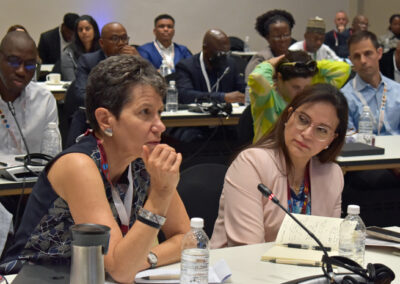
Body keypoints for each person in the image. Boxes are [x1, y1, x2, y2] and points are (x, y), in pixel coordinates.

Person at [0, 55, 190, 282]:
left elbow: (190, 238)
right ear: (105, 120)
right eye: (145, 112)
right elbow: (120, 269)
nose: (160, 126)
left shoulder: (143, 161)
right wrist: (160, 195)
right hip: (30, 278)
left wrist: (146, 258)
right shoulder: (78, 165)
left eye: (159, 112)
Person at [211, 84, 348, 247]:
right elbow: (247, 248)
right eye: (303, 120)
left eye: (321, 130)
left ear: (332, 139)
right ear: (288, 116)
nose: (306, 134)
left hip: (307, 270)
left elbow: (329, 245)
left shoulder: (332, 175)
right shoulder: (251, 164)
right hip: (242, 268)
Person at [248, 50, 350, 142]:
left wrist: (308, 65)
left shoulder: (310, 93)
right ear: (279, 78)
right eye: (295, 87)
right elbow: (257, 76)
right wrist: (270, 64)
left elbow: (344, 69)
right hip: (267, 157)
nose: (302, 93)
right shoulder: (266, 96)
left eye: (306, 87)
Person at [0, 31, 59, 155]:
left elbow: (51, 157)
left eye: (30, 65)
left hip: (33, 174)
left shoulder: (44, 100)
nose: (21, 71)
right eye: (14, 62)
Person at [341, 31, 400, 135]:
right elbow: (349, 139)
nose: (363, 60)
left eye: (368, 53)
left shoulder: (397, 91)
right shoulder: (344, 98)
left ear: (379, 53)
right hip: (366, 149)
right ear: (351, 61)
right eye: (357, 56)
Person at [74, 22, 139, 107]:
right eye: (115, 39)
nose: (121, 43)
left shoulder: (134, 59)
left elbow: (153, 87)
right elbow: (81, 95)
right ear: (101, 43)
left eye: (124, 38)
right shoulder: (88, 61)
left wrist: (139, 61)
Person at [175, 28, 245, 104]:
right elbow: (185, 95)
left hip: (228, 113)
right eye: (219, 53)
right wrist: (222, 97)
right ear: (205, 48)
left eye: (226, 53)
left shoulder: (230, 64)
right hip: (198, 114)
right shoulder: (186, 66)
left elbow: (243, 90)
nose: (223, 57)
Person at [245, 9, 296, 79]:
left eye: (286, 35)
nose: (283, 40)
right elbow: (252, 85)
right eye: (277, 37)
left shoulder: (296, 56)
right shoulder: (260, 59)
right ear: (267, 38)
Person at [60, 15, 101, 81]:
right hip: (78, 89)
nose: (84, 32)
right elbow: (71, 81)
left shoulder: (103, 50)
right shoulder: (68, 53)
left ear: (95, 30)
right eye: (80, 30)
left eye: (87, 29)